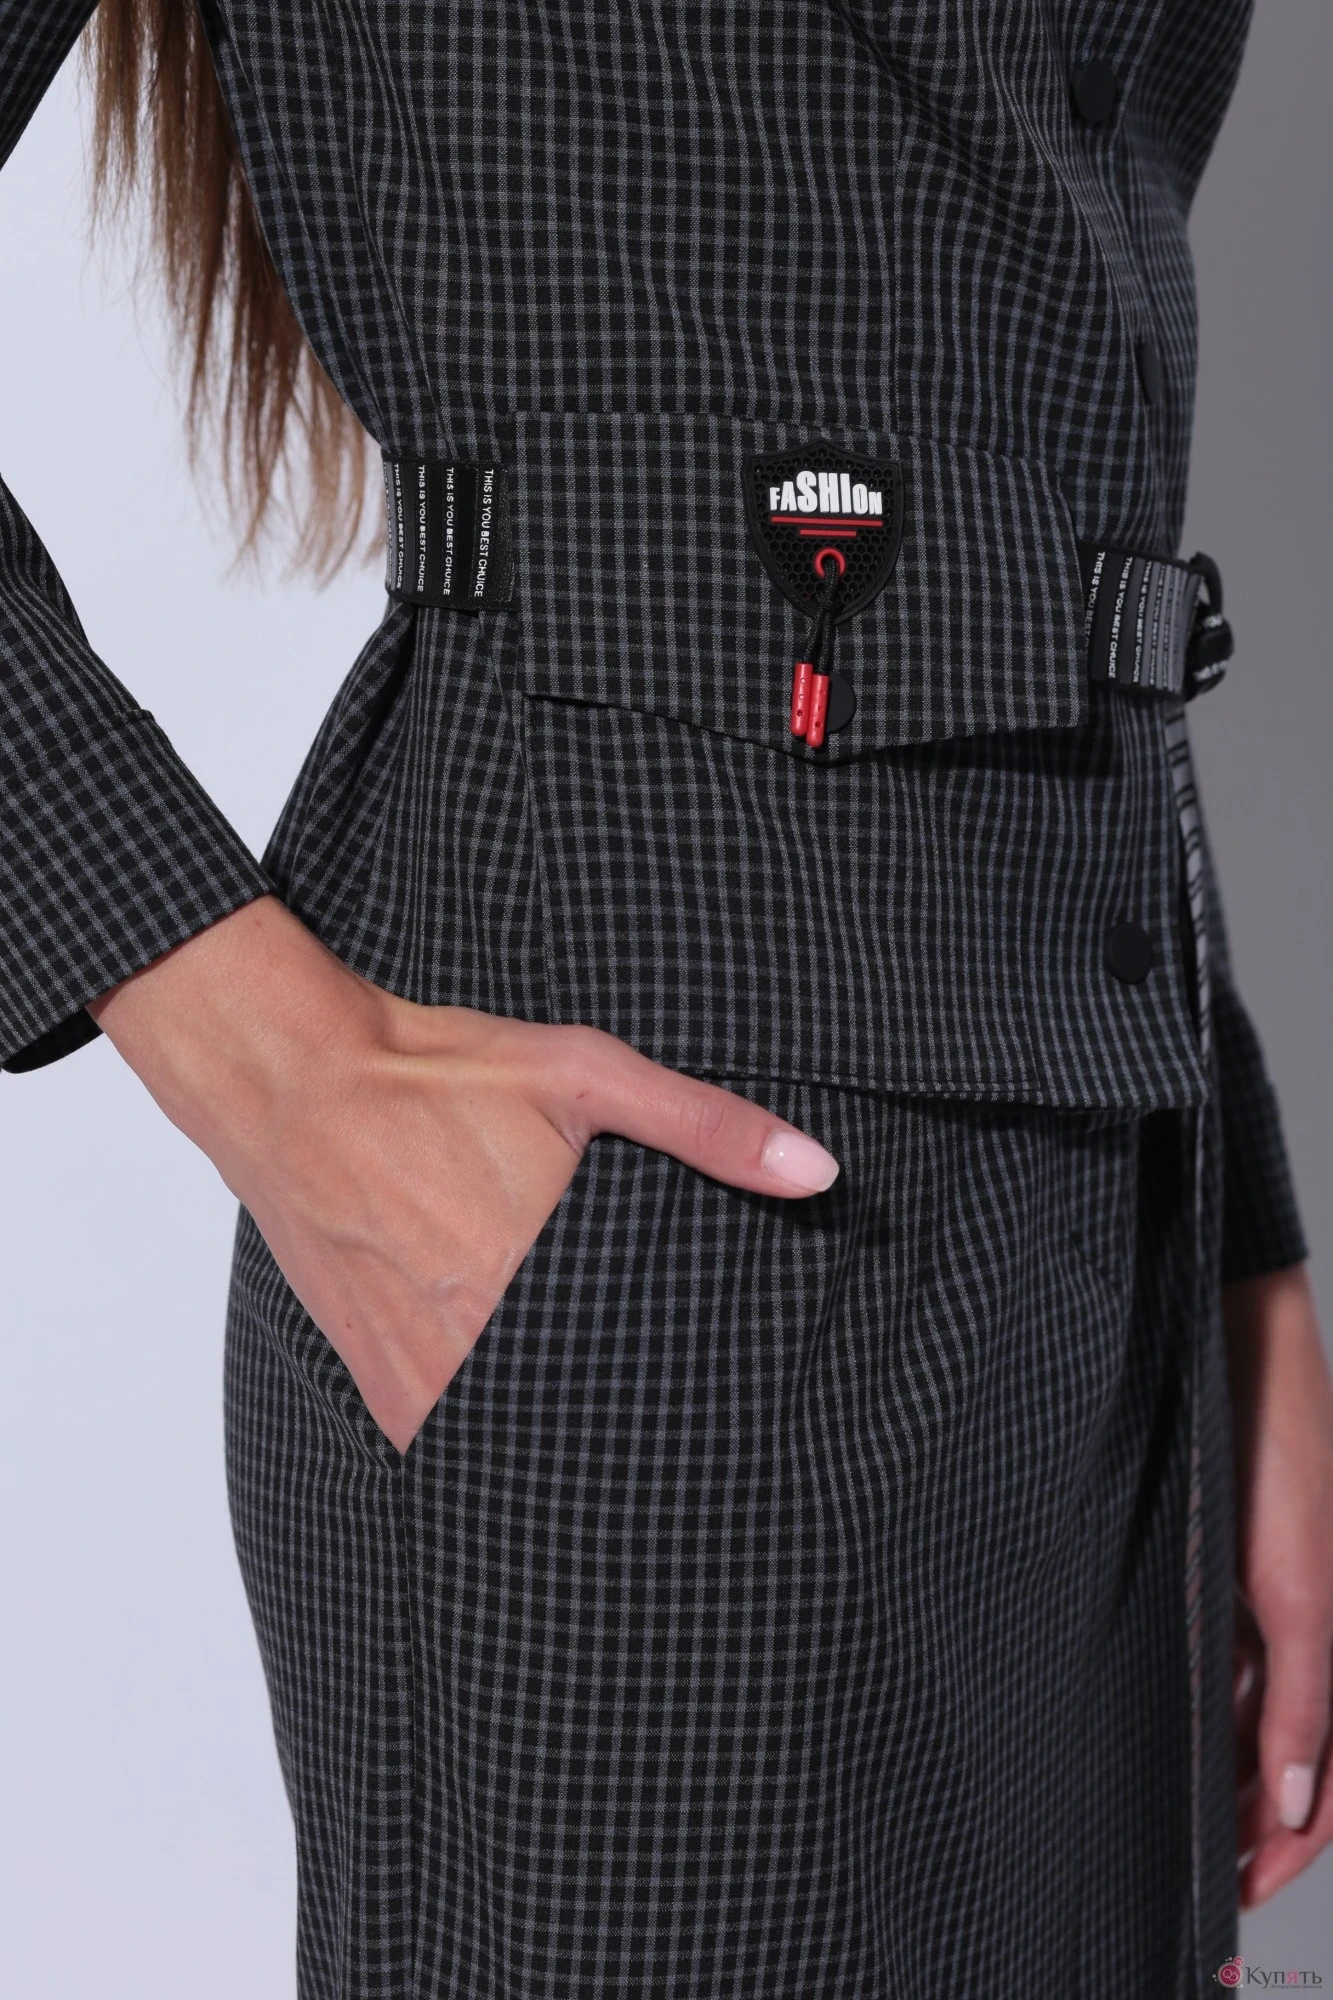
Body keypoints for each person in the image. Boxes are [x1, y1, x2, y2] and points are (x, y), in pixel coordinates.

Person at [1, 1, 1330, 1994]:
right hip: (642, 1250)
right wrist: (272, 1068)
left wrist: (1239, 1241)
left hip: (1110, 1241)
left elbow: (1031, 380)